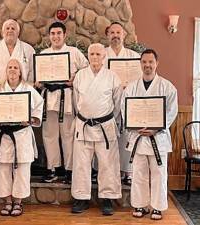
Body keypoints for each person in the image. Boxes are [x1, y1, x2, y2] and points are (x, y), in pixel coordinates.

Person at [121, 49, 178, 220]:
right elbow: (125, 110)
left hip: (158, 138)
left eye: (151, 62)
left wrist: (157, 128)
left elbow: (172, 111)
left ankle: (158, 207)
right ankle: (140, 205)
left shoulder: (167, 87)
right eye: (144, 62)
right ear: (140, 63)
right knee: (139, 173)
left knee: (159, 174)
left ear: (156, 63)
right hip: (138, 137)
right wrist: (134, 126)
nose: (147, 65)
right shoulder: (131, 87)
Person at [0, 59, 43, 216]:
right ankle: (7, 201)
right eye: (9, 67)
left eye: (15, 67)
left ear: (20, 71)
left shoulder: (28, 89)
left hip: (21, 133)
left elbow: (38, 106)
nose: (12, 70)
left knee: (22, 169)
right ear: (6, 70)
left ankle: (18, 202)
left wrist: (31, 119)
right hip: (2, 135)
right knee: (2, 169)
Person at [71, 43, 122, 215]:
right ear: (87, 55)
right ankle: (81, 198)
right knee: (81, 165)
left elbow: (117, 104)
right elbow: (76, 101)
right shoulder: (80, 75)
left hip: (105, 127)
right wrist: (85, 115)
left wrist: (107, 119)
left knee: (108, 164)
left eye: (98, 54)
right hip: (84, 126)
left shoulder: (112, 77)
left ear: (104, 56)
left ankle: (107, 198)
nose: (94, 57)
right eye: (91, 54)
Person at [38, 22, 88, 183]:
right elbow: (38, 75)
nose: (55, 36)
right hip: (48, 96)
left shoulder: (74, 52)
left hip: (65, 96)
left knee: (68, 134)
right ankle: (52, 168)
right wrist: (39, 81)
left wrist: (75, 79)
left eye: (59, 33)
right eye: (52, 33)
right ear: (49, 36)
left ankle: (70, 169)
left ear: (65, 35)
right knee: (49, 134)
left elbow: (85, 69)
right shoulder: (44, 54)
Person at [105, 21, 141, 185]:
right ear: (108, 35)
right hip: (108, 103)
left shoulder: (134, 57)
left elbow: (141, 81)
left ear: (124, 35)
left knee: (128, 137)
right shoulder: (102, 55)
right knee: (110, 138)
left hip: (129, 102)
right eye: (112, 33)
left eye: (118, 32)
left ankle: (128, 171)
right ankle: (112, 172)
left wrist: (130, 84)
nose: (115, 36)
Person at [0, 19, 35, 91]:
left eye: (13, 28)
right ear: (3, 33)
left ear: (18, 33)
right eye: (7, 28)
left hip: (22, 90)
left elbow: (32, 70)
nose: (10, 30)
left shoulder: (28, 49)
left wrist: (29, 85)